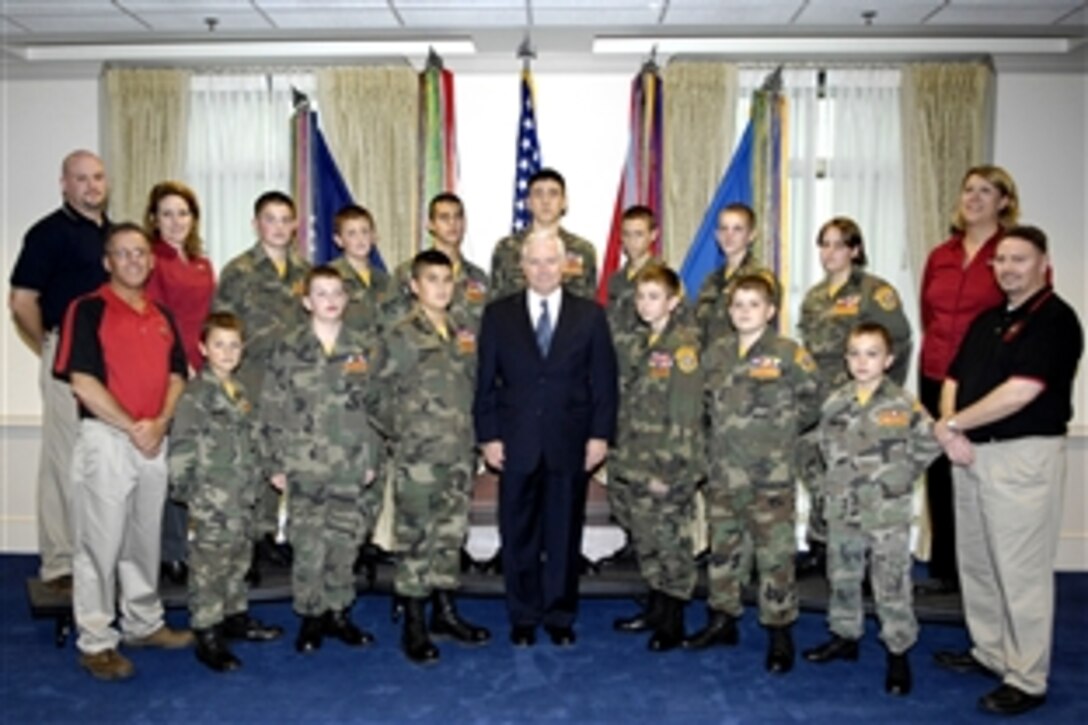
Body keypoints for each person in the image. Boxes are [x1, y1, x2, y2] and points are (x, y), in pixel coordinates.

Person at [932, 226, 1082, 716]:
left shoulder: (1056, 320)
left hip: (1021, 456)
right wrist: (951, 430)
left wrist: (953, 424)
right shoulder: (988, 319)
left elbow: (1022, 391)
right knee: (977, 563)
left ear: (1043, 263)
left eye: (1020, 259)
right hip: (970, 454)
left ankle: (1027, 676)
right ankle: (990, 651)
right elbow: (953, 376)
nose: (1009, 268)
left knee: (1020, 572)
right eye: (1001, 260)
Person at [53, 223, 194, 681]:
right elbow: (83, 381)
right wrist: (131, 425)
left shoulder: (161, 315)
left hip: (154, 438)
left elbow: (178, 376)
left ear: (151, 261)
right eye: (123, 253)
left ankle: (143, 622)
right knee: (100, 544)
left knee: (143, 538)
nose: (133, 260)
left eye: (140, 253)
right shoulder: (88, 309)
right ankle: (96, 640)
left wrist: (159, 423)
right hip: (108, 440)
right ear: (107, 262)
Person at [474, 229, 618, 647]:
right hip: (514, 442)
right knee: (517, 534)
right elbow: (486, 383)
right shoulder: (498, 315)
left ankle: (559, 615)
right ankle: (523, 616)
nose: (542, 269)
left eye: (550, 261)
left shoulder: (590, 315)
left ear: (566, 266)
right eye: (534, 262)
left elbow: (604, 382)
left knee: (563, 534)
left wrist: (599, 436)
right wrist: (488, 437)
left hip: (569, 442)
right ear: (522, 266)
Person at [803, 322, 941, 696]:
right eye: (855, 353)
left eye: (872, 353)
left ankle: (898, 651)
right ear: (847, 359)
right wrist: (823, 486)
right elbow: (815, 449)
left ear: (889, 359)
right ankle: (845, 636)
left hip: (886, 513)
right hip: (843, 510)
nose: (862, 362)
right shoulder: (835, 402)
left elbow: (932, 441)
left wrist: (903, 474)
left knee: (890, 583)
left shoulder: (902, 403)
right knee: (843, 576)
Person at [691, 274, 819, 674]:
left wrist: (779, 433)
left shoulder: (788, 353)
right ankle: (723, 619)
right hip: (725, 471)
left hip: (771, 474)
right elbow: (703, 408)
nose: (744, 311)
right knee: (724, 549)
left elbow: (815, 400)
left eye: (753, 304)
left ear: (770, 310)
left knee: (775, 554)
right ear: (729, 311)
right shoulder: (716, 354)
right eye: (738, 304)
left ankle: (780, 632)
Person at [369, 250, 491, 664]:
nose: (441, 287)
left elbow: (475, 388)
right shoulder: (400, 335)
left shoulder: (464, 333)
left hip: (458, 454)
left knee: (449, 537)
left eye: (446, 279)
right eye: (431, 279)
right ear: (414, 286)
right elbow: (373, 394)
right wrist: (404, 431)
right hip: (418, 457)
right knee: (417, 538)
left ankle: (445, 612)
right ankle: (415, 623)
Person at [260, 266, 379, 654]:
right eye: (321, 293)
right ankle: (311, 616)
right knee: (309, 544)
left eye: (336, 293)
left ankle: (339, 612)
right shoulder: (288, 347)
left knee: (345, 542)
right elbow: (272, 408)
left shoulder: (363, 347)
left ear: (345, 300)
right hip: (303, 465)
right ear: (307, 301)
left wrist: (371, 456)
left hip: (349, 463)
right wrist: (274, 463)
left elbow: (375, 408)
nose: (329, 300)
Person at [8, 150, 110, 592]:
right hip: (67, 360)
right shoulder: (47, 233)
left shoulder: (113, 234)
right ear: (64, 184)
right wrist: (50, 346)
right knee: (63, 461)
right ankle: (60, 562)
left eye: (98, 177)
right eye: (81, 178)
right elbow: (21, 302)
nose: (91, 186)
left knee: (102, 462)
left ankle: (99, 555)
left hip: (109, 363)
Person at [917, 166, 1019, 595]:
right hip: (936, 374)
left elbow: (1026, 315)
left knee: (981, 477)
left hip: (984, 383)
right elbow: (928, 312)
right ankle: (945, 571)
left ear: (1004, 202)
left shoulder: (1012, 253)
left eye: (985, 191)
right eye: (968, 190)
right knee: (940, 474)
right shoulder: (941, 254)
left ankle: (983, 576)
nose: (974, 198)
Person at [167, 312, 284, 673]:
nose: (228, 352)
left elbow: (255, 437)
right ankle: (207, 632)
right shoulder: (197, 395)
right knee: (209, 567)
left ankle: (234, 616)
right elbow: (182, 445)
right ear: (203, 348)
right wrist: (189, 494)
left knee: (237, 560)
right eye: (219, 344)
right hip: (212, 497)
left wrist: (271, 471)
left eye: (234, 345)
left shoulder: (240, 390)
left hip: (242, 495)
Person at [796, 218, 912, 576]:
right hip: (819, 401)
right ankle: (820, 544)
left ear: (855, 250)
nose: (829, 253)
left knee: (856, 480)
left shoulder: (874, 292)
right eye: (824, 244)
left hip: (857, 401)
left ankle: (860, 557)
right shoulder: (816, 296)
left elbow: (900, 342)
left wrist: (881, 396)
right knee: (817, 471)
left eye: (837, 245)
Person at [214, 191, 311, 572]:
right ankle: (247, 542)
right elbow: (221, 329)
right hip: (252, 380)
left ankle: (269, 534)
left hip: (294, 387)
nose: (279, 227)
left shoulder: (305, 274)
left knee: (281, 460)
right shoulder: (239, 271)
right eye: (270, 219)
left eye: (286, 219)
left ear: (295, 226)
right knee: (251, 463)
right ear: (257, 225)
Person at [610, 264, 704, 652]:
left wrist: (671, 471)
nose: (644, 304)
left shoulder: (682, 348)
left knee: (671, 543)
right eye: (640, 296)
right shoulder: (643, 342)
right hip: (636, 460)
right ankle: (655, 607)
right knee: (647, 539)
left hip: (667, 466)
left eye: (653, 297)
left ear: (673, 301)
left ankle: (674, 619)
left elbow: (685, 416)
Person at [143, 180, 217, 587]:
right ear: (154, 219)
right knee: (172, 465)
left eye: (183, 213)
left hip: (204, 372)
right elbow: (158, 320)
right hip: (171, 374)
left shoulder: (201, 263)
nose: (176, 221)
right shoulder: (152, 260)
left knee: (195, 464)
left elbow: (208, 317)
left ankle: (188, 548)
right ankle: (169, 553)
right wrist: (183, 366)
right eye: (167, 213)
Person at [600, 204, 663, 567]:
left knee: (648, 467)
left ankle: (651, 545)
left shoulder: (664, 278)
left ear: (653, 235)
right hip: (619, 382)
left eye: (639, 233)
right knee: (621, 465)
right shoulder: (617, 281)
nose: (631, 241)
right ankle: (631, 538)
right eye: (626, 234)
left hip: (650, 387)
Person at [489, 168, 597, 301]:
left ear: (564, 202)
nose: (545, 201)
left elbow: (589, 305)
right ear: (528, 203)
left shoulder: (583, 250)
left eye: (553, 194)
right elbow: (495, 305)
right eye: (538, 194)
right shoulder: (506, 249)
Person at [388, 193, 490, 330]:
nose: (452, 223)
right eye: (444, 217)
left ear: (465, 223)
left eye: (458, 217)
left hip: (466, 350)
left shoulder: (478, 278)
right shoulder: (407, 272)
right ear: (431, 225)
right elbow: (390, 325)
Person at [693, 202, 780, 346]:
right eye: (724, 229)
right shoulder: (711, 280)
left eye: (737, 229)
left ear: (751, 235)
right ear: (717, 235)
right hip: (712, 361)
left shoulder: (761, 279)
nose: (729, 236)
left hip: (744, 361)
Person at [328, 203, 393, 333]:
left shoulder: (385, 281)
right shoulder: (329, 278)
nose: (360, 239)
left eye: (365, 232)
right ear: (339, 240)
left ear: (374, 236)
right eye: (352, 233)